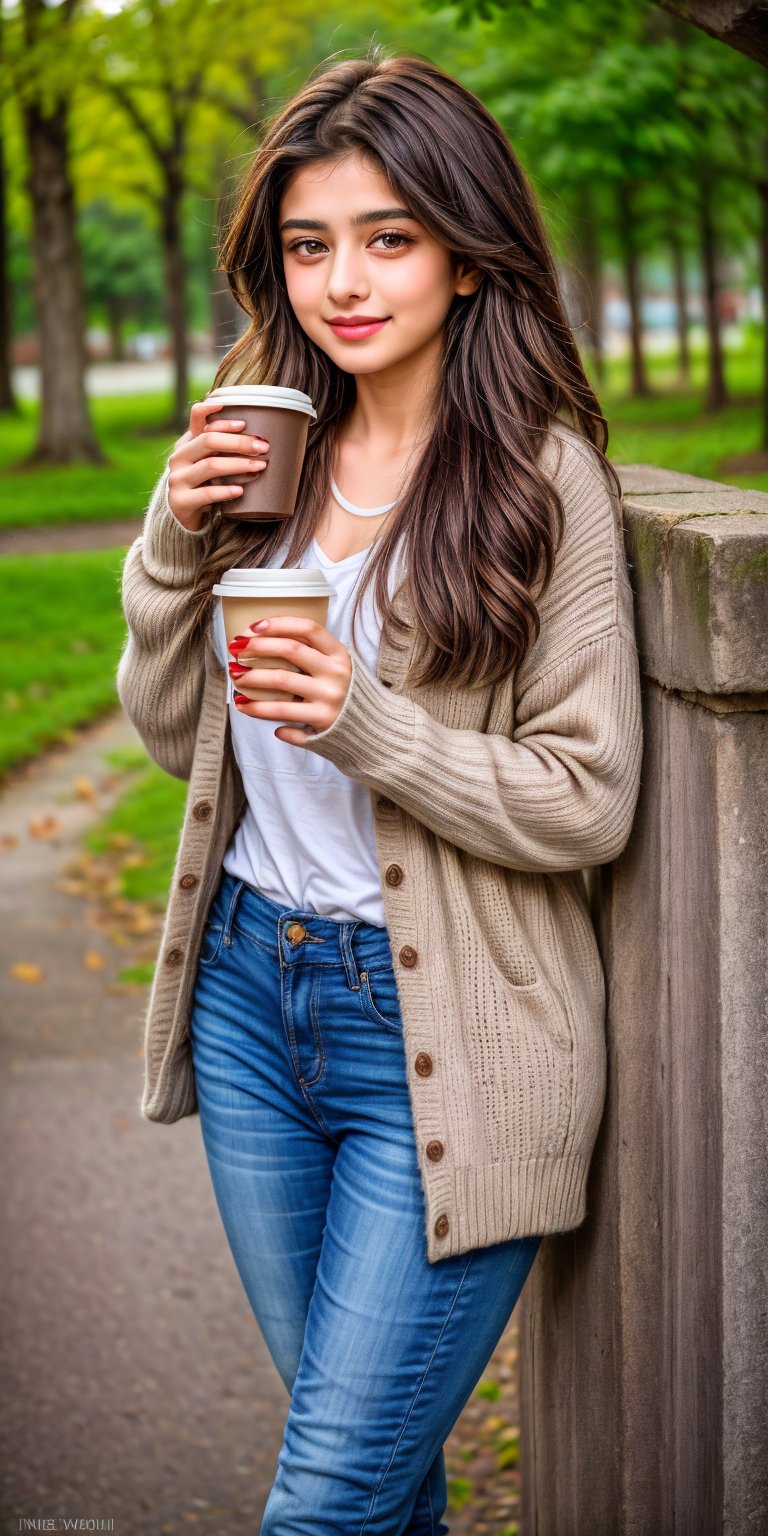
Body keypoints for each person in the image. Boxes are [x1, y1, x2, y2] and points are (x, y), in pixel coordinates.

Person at [117, 44, 643, 1536]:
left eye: (388, 237)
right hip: (246, 1004)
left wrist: (370, 723)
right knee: (377, 1480)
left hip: (452, 1042)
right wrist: (172, 542)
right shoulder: (267, 454)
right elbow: (174, 736)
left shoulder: (544, 488)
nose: (341, 281)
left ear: (468, 260)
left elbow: (587, 798)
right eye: (307, 244)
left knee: (327, 1503)